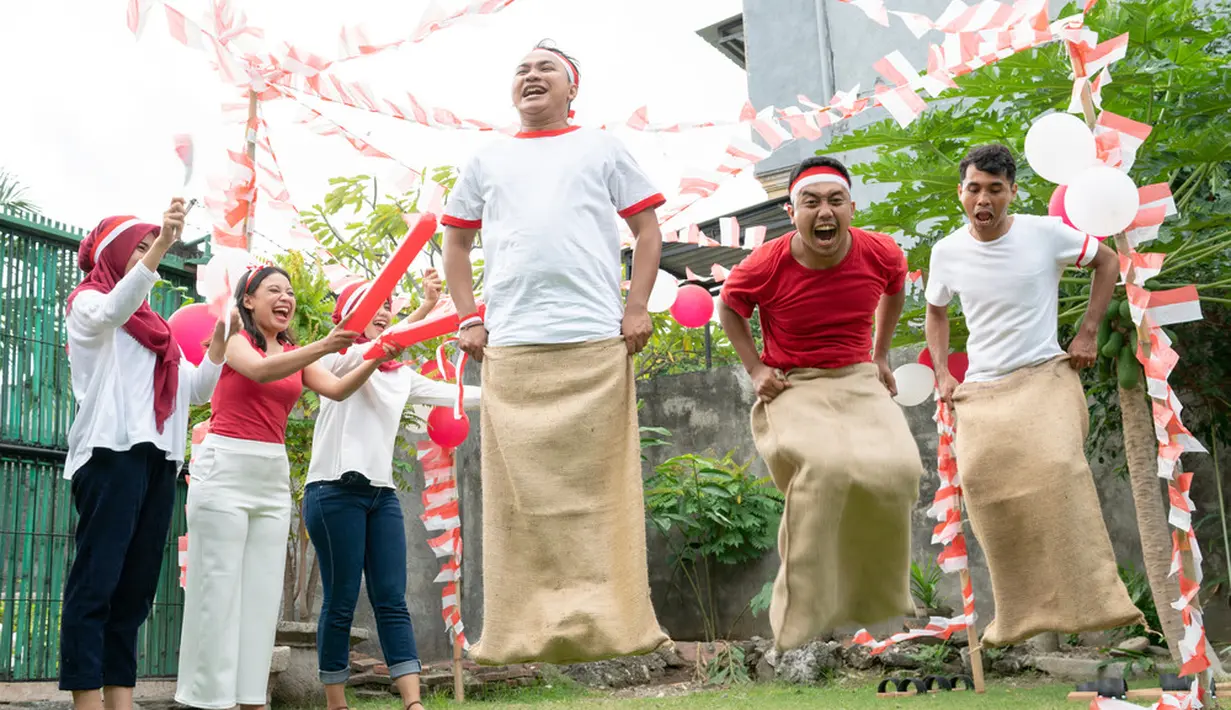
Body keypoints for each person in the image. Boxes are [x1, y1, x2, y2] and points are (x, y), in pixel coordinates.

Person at [441, 40, 668, 665]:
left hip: (596, 338)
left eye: (546, 68)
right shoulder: (486, 158)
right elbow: (455, 245)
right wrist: (469, 317)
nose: (531, 75)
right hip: (511, 346)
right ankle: (517, 632)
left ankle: (618, 624)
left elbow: (647, 231)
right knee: (520, 503)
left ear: (572, 88)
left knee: (604, 494)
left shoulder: (600, 146)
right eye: (521, 68)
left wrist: (637, 305)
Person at [923, 143, 1141, 646]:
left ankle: (1097, 601)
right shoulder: (947, 251)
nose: (984, 199)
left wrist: (1088, 333)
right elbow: (936, 311)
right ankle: (1018, 614)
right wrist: (941, 372)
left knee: (1059, 468)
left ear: (1012, 192)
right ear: (961, 193)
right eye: (974, 188)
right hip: (982, 390)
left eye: (995, 190)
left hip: (1044, 375)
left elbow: (1108, 262)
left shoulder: (1046, 234)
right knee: (977, 481)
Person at [717, 157, 925, 652]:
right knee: (827, 470)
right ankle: (797, 621)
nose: (824, 212)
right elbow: (728, 305)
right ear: (793, 212)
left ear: (851, 208)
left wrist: (879, 355)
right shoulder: (767, 262)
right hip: (794, 382)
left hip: (857, 375)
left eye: (835, 201)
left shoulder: (880, 252)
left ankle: (879, 598)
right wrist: (755, 369)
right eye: (811, 202)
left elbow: (895, 291)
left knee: (901, 469)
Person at [175, 265, 402, 710]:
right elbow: (259, 371)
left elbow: (336, 389)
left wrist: (377, 356)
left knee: (261, 596)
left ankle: (251, 699)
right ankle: (209, 700)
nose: (286, 298)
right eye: (273, 290)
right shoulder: (234, 336)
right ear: (248, 300)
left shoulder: (296, 352)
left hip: (271, 472)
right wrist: (327, 343)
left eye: (290, 291)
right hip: (225, 466)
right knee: (218, 588)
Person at [59, 202, 234, 710]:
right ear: (113, 253)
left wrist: (220, 341)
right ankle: (87, 698)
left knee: (135, 589)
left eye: (151, 247)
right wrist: (161, 245)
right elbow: (117, 306)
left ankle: (120, 696)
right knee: (97, 581)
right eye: (138, 246)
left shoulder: (159, 330)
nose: (149, 255)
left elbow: (194, 392)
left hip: (159, 461)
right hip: (110, 456)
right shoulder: (89, 305)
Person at [304, 273, 481, 710]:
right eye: (372, 305)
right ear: (349, 315)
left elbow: (455, 395)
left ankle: (413, 704)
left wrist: (511, 389)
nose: (383, 312)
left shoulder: (398, 376)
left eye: (388, 305)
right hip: (332, 491)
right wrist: (417, 316)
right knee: (341, 600)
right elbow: (359, 357)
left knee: (392, 598)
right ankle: (336, 703)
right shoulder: (336, 358)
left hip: (380, 496)